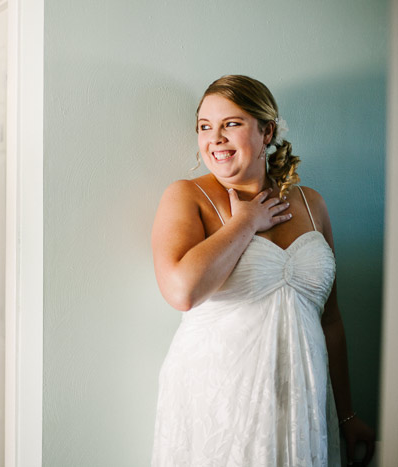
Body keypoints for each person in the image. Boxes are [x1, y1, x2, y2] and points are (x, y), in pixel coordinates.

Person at [150, 75, 375, 466]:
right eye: (205, 127)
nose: (215, 138)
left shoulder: (312, 204)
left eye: (231, 124)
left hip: (301, 404)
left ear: (266, 130)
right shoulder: (187, 196)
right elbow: (181, 291)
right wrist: (244, 223)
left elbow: (331, 321)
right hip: (219, 404)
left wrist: (347, 414)